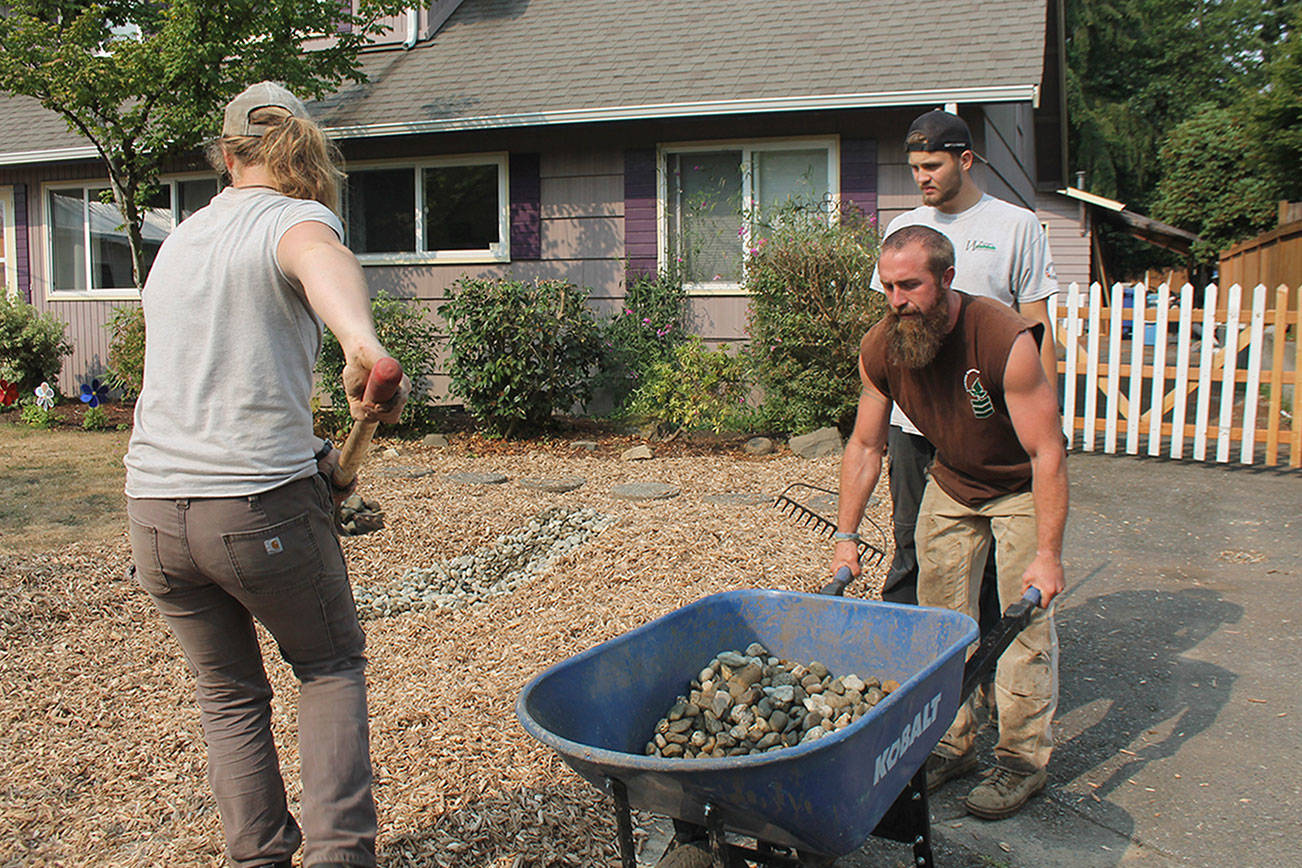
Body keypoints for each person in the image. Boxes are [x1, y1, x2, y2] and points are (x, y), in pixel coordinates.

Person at [124, 81, 409, 868]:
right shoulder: (296, 218)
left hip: (153, 509)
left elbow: (220, 390)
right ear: (301, 152)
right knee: (326, 666)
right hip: (256, 509)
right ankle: (340, 856)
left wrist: (322, 450)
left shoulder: (182, 238)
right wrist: (359, 341)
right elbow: (320, 260)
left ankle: (257, 858)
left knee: (227, 694)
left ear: (225, 155)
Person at [832, 225, 1067, 820]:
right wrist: (846, 536)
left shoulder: (1001, 337)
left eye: (909, 285)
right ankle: (951, 741)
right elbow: (864, 445)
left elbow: (1047, 452)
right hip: (953, 480)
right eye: (887, 286)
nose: (896, 300)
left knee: (1023, 626)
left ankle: (1020, 760)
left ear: (948, 279)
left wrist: (1048, 554)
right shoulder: (883, 347)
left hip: (1018, 485)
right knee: (940, 626)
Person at [869, 110, 1059, 619]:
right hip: (915, 421)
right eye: (914, 167)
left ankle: (990, 655)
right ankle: (910, 658)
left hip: (988, 420)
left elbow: (1036, 326)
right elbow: (888, 324)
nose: (921, 177)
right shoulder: (904, 228)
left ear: (966, 159)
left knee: (997, 550)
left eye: (931, 165)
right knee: (913, 538)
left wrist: (1049, 421)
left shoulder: (1016, 226)